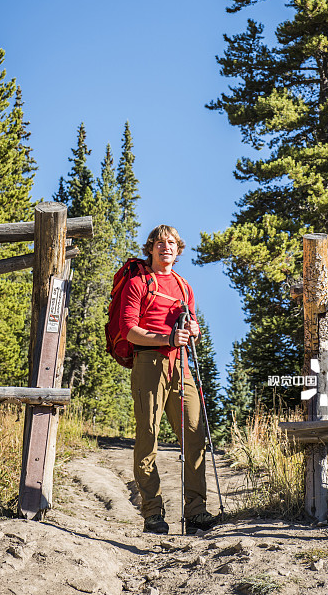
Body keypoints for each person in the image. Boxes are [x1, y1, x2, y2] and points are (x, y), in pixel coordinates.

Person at [119, 224, 216, 535]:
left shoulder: (183, 285)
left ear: (178, 249)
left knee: (195, 435)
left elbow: (192, 322)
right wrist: (167, 338)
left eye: (171, 243)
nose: (166, 248)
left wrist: (195, 331)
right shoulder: (137, 283)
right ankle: (153, 513)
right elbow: (128, 330)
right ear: (150, 248)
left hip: (181, 366)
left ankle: (197, 512)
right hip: (149, 363)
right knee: (148, 437)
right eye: (160, 243)